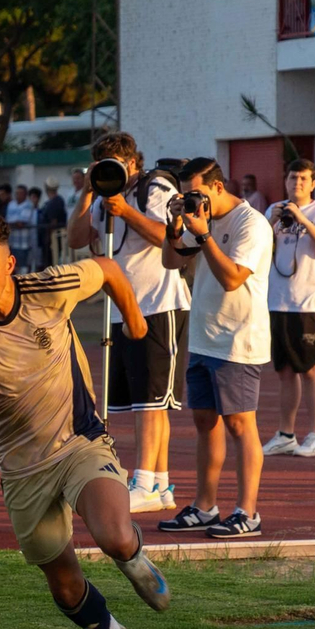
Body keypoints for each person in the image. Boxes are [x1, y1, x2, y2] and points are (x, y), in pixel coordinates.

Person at [0, 213, 168, 629]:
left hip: (80, 441)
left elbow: (109, 269)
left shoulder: (47, 288)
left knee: (115, 536)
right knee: (63, 587)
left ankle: (134, 558)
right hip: (21, 468)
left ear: (9, 264)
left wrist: (136, 325)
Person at [69, 132, 190, 513]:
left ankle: (144, 482)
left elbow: (170, 236)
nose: (110, 174)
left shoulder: (154, 189)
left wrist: (128, 211)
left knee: (151, 404)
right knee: (145, 401)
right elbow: (76, 239)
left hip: (158, 306)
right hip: (121, 309)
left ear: (133, 164)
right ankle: (161, 484)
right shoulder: (104, 198)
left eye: (116, 166)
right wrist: (88, 193)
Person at [157, 158, 274, 539]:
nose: (193, 201)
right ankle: (205, 506)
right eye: (187, 195)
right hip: (205, 336)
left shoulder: (250, 223)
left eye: (198, 194)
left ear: (218, 187)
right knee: (204, 423)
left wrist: (204, 235)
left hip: (238, 340)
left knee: (241, 425)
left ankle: (248, 512)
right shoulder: (197, 219)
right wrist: (174, 227)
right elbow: (171, 260)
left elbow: (232, 279)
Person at [261, 159, 315, 458]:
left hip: (310, 303)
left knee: (310, 368)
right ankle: (285, 434)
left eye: (303, 178)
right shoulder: (273, 210)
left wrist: (303, 221)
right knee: (284, 370)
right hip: (277, 301)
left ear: (312, 183)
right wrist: (273, 221)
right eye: (292, 177)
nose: (297, 183)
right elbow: (257, 248)